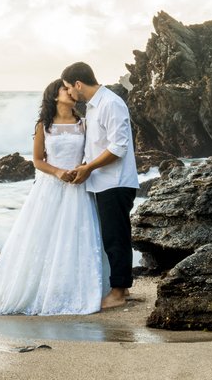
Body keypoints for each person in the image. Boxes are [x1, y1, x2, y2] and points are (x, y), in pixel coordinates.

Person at [0, 79, 104, 316]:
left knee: (75, 239)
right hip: (50, 188)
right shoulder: (43, 126)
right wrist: (58, 172)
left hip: (77, 187)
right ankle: (42, 288)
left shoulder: (83, 124)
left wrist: (82, 168)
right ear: (54, 96)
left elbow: (92, 154)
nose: (70, 91)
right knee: (43, 239)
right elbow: (38, 161)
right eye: (64, 89)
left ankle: (73, 288)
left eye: (70, 88)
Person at [61, 62, 139, 309]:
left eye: (68, 88)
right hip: (102, 182)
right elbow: (97, 145)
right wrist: (84, 165)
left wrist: (89, 168)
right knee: (110, 237)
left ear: (78, 84)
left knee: (116, 237)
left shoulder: (111, 103)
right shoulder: (94, 107)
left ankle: (118, 292)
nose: (69, 94)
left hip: (115, 182)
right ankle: (120, 287)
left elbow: (118, 147)